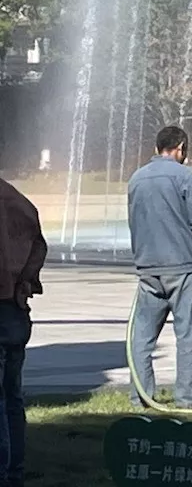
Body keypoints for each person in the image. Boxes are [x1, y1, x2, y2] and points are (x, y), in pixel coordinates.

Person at [127, 126, 192, 409]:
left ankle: (141, 396)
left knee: (142, 337)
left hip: (148, 267)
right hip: (182, 265)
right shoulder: (185, 176)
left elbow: (134, 220)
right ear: (181, 148)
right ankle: (186, 398)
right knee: (186, 335)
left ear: (157, 148)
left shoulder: (136, 178)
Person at [0, 178, 45, 487]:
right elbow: (39, 244)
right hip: (14, 309)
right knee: (12, 395)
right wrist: (25, 280)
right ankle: (14, 472)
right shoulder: (15, 198)